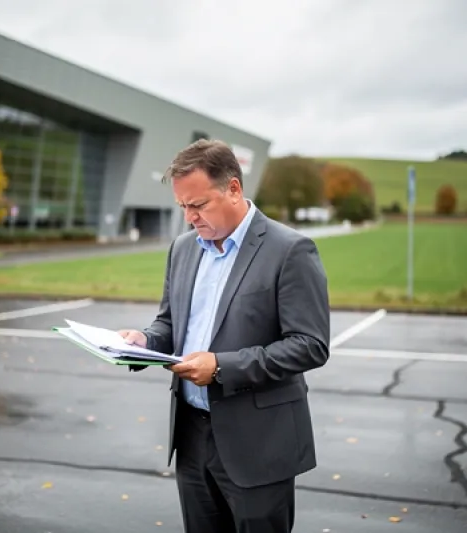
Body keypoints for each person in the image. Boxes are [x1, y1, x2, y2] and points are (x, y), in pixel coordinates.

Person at [118, 139, 331, 533]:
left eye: (198, 205)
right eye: (182, 206)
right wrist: (144, 342)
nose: (189, 217)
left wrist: (220, 367)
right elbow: (170, 324)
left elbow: (310, 345)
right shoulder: (183, 249)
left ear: (233, 188)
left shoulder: (290, 250)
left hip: (259, 443)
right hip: (191, 437)